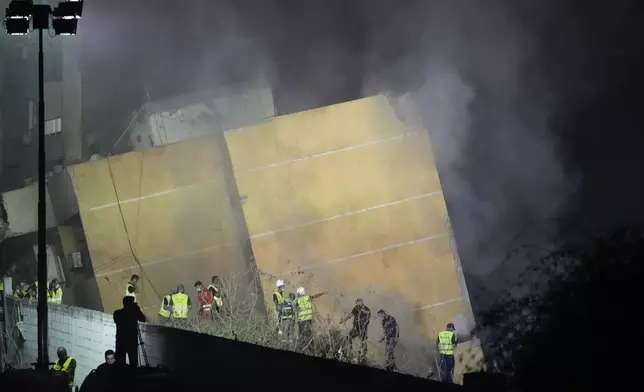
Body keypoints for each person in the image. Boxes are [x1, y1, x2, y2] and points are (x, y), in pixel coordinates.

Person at [113, 295, 146, 367]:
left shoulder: (117, 313)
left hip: (120, 341)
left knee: (119, 363)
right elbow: (143, 319)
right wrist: (137, 310)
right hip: (131, 342)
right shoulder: (133, 314)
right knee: (133, 364)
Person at [295, 287, 327, 352]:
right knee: (309, 334)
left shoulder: (298, 300)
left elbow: (295, 309)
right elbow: (315, 296)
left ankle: (302, 349)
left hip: (301, 320)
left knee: (302, 335)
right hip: (308, 319)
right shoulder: (308, 298)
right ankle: (311, 349)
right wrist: (323, 293)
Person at [340, 298, 371, 363]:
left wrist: (363, 325)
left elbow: (368, 317)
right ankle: (350, 350)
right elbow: (350, 315)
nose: (357, 303)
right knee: (349, 337)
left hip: (363, 329)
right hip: (356, 328)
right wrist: (343, 320)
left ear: (362, 302)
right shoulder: (355, 308)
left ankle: (363, 356)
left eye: (359, 302)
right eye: (357, 302)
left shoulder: (366, 309)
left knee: (363, 342)